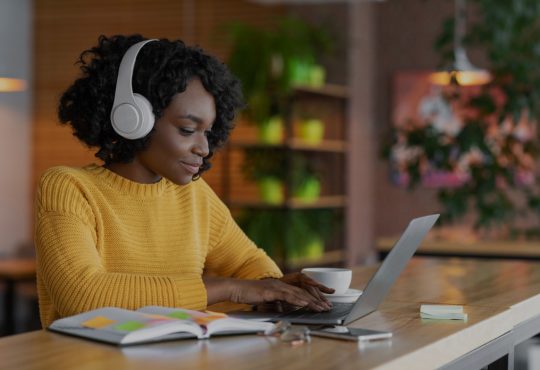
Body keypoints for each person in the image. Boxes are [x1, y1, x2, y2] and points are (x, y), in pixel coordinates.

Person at [34, 34, 333, 328]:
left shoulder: (194, 196)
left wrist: (274, 287)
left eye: (208, 132)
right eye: (188, 129)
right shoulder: (68, 188)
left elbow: (250, 264)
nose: (204, 148)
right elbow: (82, 296)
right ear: (133, 118)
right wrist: (229, 289)